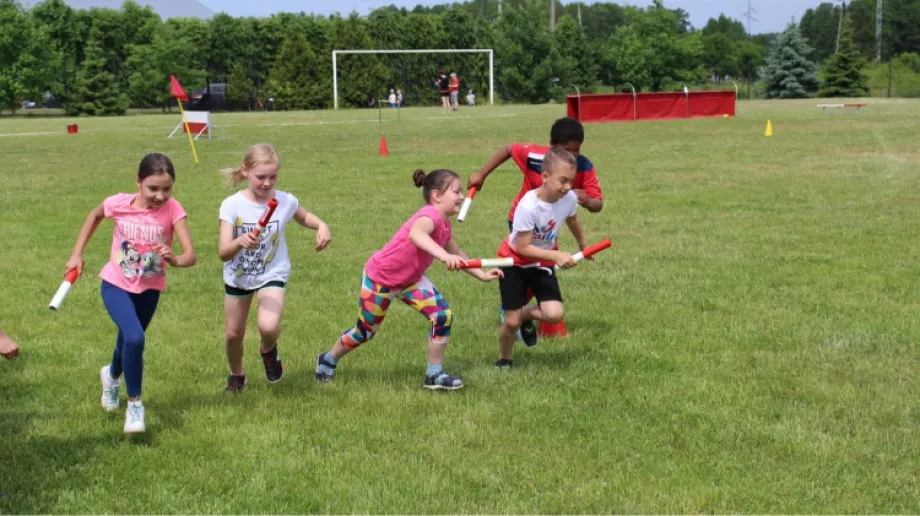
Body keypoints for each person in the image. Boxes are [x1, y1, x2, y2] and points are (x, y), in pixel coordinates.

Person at [315, 169, 503, 390]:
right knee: (364, 332)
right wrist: (444, 256)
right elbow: (417, 234)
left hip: (410, 280)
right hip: (381, 280)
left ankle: (434, 375)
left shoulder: (444, 224)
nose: (461, 197)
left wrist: (481, 274)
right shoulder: (429, 215)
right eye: (456, 191)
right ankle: (328, 358)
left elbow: (457, 253)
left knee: (442, 316)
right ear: (437, 195)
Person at [64, 153, 197, 433]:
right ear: (138, 182)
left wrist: (174, 259)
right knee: (135, 337)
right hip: (115, 283)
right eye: (153, 188)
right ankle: (135, 405)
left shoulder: (173, 209)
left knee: (128, 339)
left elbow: (190, 256)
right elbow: (95, 215)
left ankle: (111, 376)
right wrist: (77, 253)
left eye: (166, 189)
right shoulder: (119, 203)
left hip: (149, 289)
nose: (160, 195)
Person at [467, 117, 604, 338]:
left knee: (540, 264)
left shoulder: (583, 166)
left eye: (577, 150)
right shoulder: (533, 156)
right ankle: (520, 315)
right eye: (566, 150)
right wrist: (481, 174)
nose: (573, 156)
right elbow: (508, 149)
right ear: (551, 146)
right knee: (533, 263)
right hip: (523, 220)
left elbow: (597, 204)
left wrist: (587, 201)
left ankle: (529, 316)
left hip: (551, 224)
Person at [218, 144, 332, 393]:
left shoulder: (284, 201)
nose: (267, 183)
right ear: (246, 171)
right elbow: (223, 251)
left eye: (273, 176)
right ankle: (237, 375)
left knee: (268, 326)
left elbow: (304, 216)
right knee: (233, 334)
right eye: (261, 177)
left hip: (272, 272)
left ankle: (268, 350)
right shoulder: (232, 205)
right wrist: (240, 241)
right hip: (239, 276)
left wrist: (321, 225)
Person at [494, 148, 589, 367]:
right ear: (545, 177)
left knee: (554, 314)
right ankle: (504, 360)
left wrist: (583, 244)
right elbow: (522, 248)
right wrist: (555, 255)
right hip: (514, 262)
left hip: (541, 261)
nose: (567, 187)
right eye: (562, 181)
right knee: (511, 321)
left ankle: (524, 316)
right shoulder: (528, 205)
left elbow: (573, 220)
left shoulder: (569, 199)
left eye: (571, 181)